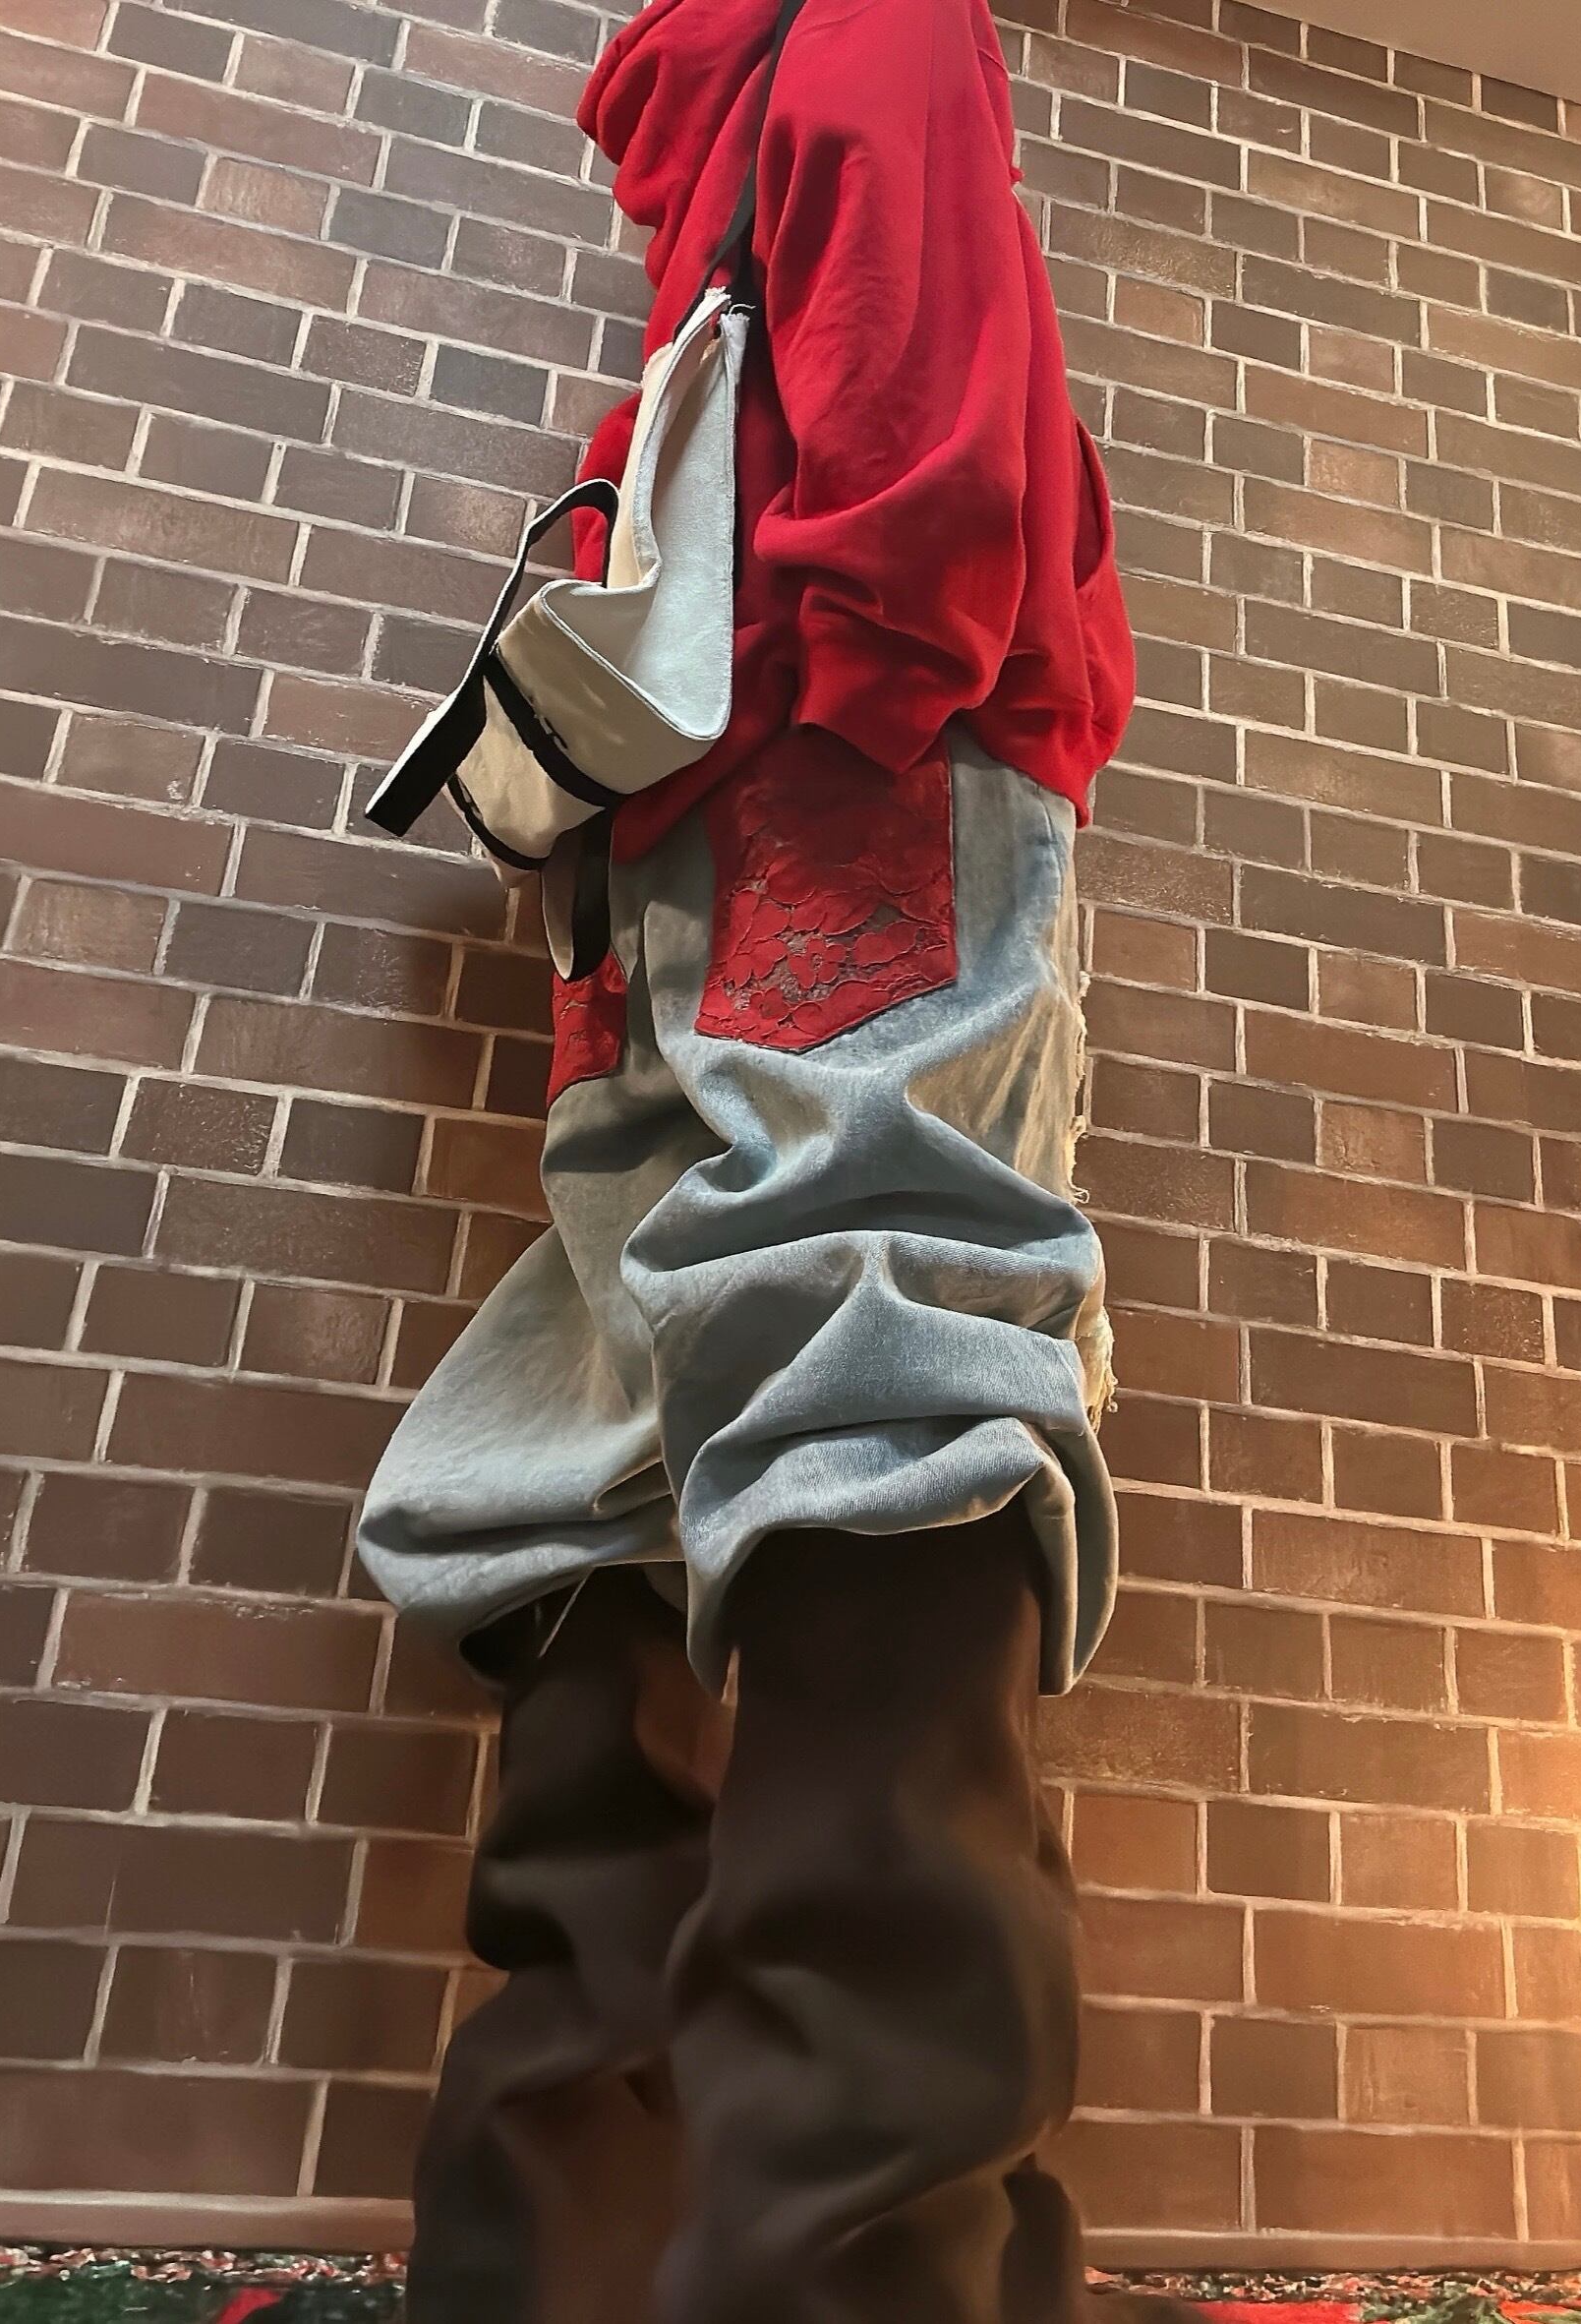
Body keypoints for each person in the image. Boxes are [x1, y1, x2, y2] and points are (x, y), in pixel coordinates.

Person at [357, 0, 1137, 2314]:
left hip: (656, 874)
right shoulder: (869, 19)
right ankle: (852, 2266)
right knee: (882, 1341)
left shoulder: (705, 123)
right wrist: (889, 685)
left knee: (600, 1439)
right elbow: (925, 393)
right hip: (854, 777)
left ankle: (540, 2255)